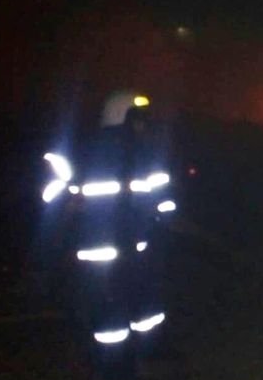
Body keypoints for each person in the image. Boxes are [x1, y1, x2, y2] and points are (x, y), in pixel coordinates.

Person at [42, 91, 174, 360]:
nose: (142, 124)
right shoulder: (106, 153)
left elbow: (163, 200)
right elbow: (164, 204)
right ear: (123, 118)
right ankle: (119, 365)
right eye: (137, 118)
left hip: (124, 250)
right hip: (108, 253)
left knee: (130, 307)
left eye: (144, 119)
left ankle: (133, 359)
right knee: (113, 310)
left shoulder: (124, 153)